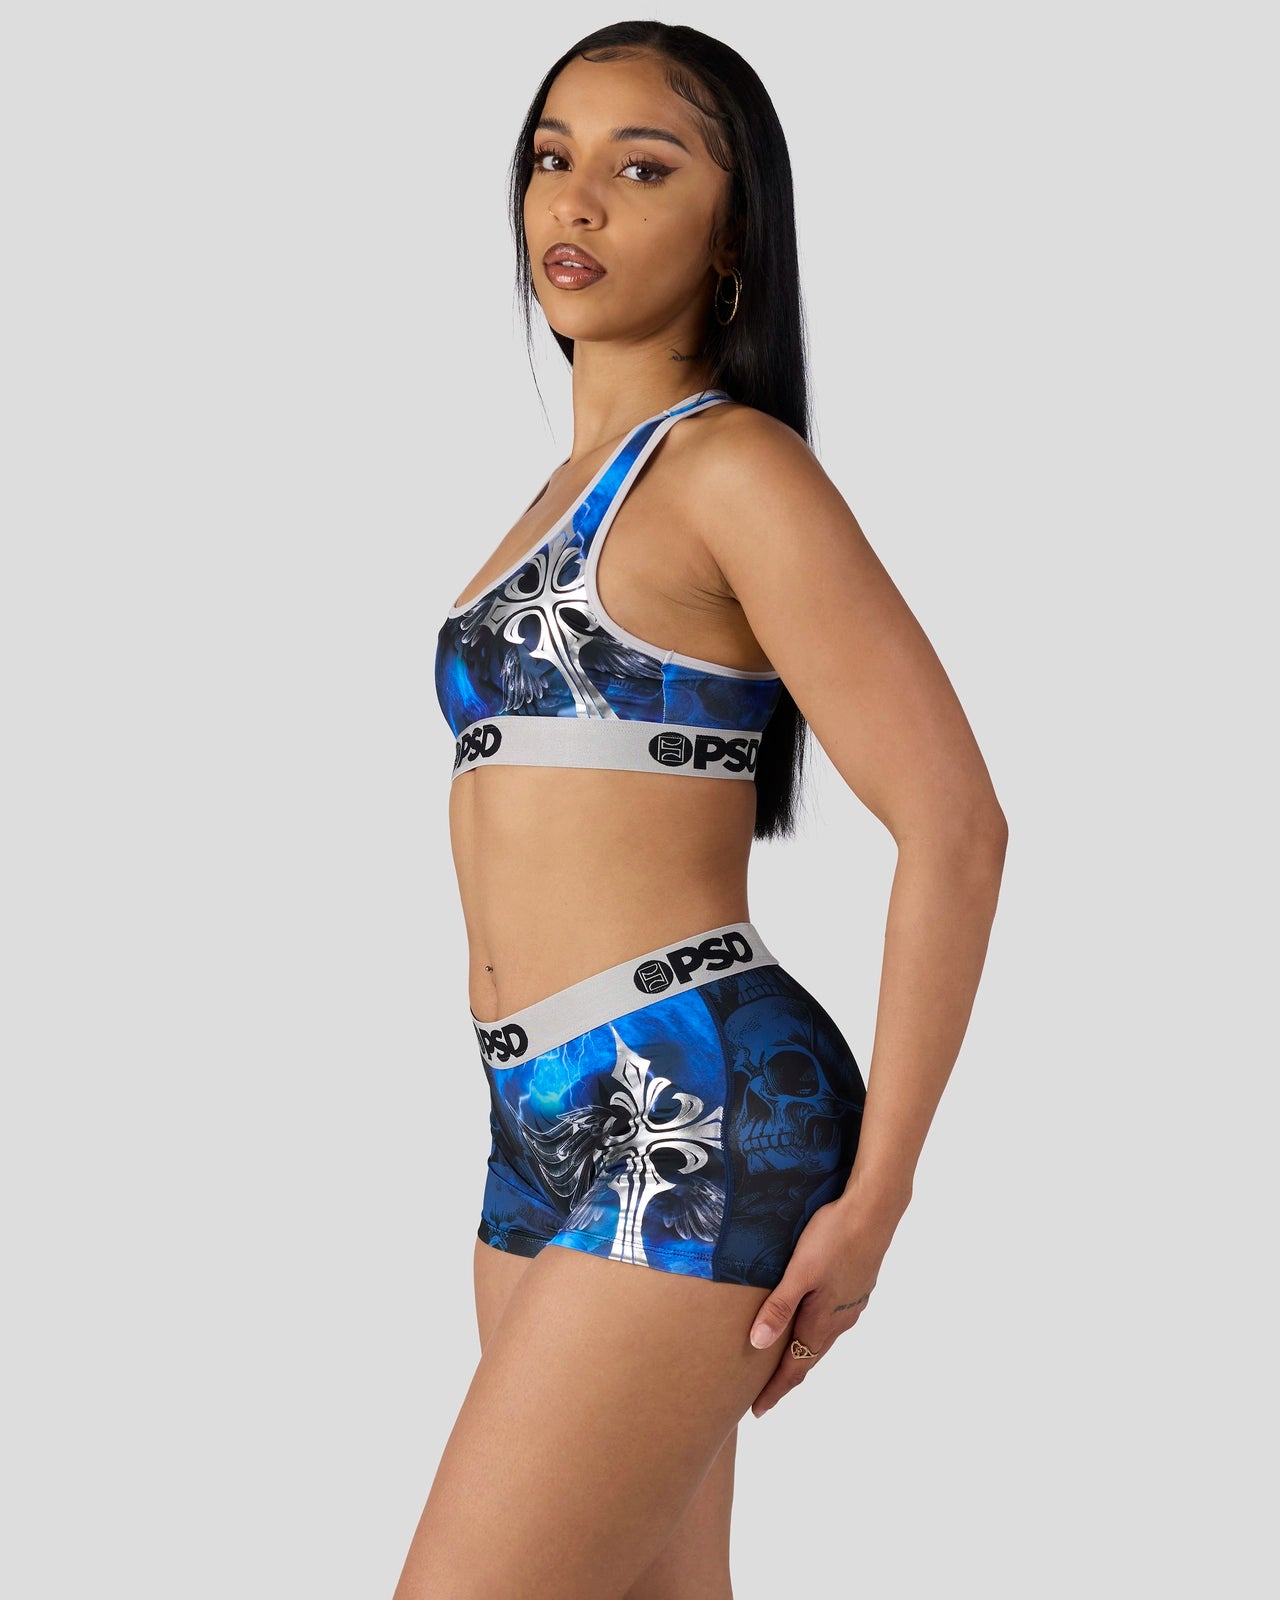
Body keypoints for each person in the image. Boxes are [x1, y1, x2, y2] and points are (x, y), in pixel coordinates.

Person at [394, 20, 1007, 1600]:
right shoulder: (558, 499)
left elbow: (956, 824)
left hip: (697, 1103)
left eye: (643, 167)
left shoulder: (734, 470)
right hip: (534, 1124)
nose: (576, 198)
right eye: (553, 157)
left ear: (734, 238)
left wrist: (879, 1200)